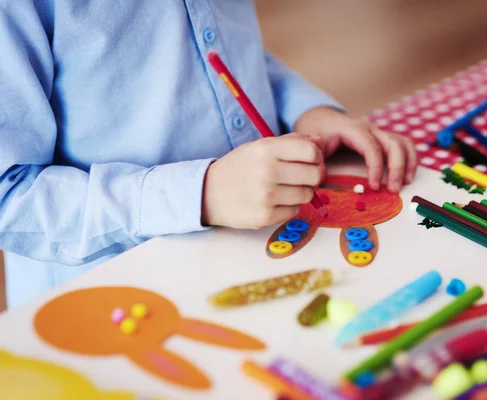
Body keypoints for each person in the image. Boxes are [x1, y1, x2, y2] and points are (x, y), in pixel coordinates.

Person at [0, 1, 417, 309]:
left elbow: (216, 54)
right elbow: (9, 198)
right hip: (106, 298)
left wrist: (305, 108)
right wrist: (200, 194)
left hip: (253, 251)